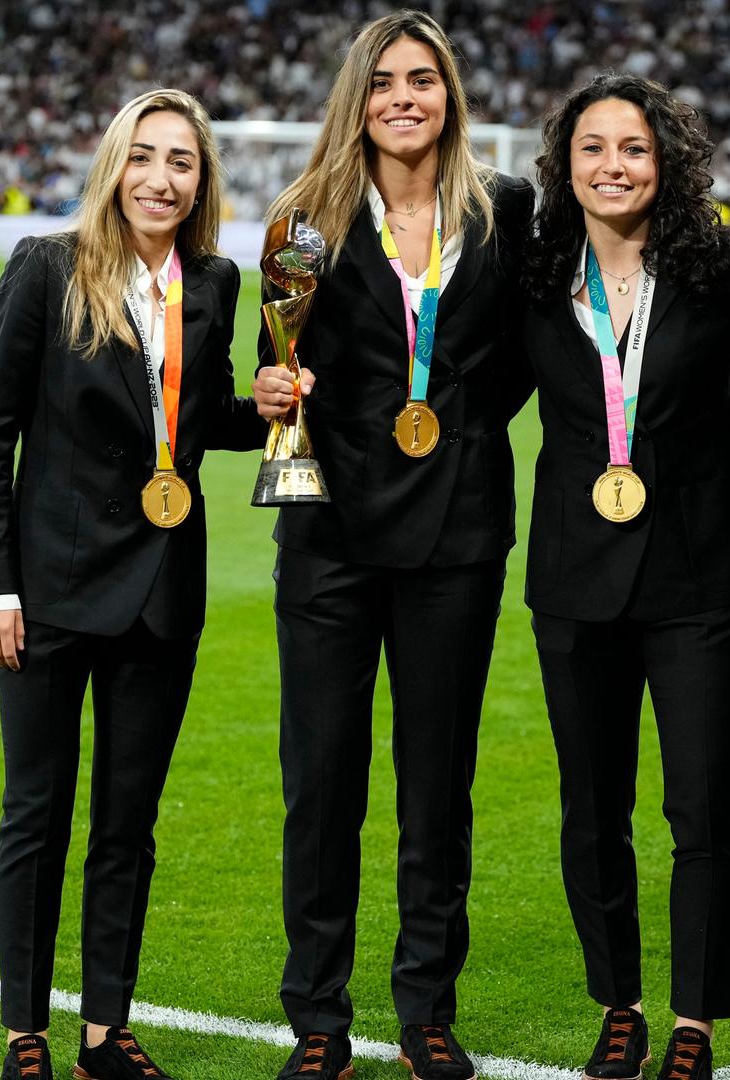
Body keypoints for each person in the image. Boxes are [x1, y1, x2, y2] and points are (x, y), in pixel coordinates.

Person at [246, 10, 534, 1080]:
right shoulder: (304, 220)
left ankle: (426, 1010)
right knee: (322, 782)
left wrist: (448, 426)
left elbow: (516, 363)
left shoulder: (503, 210)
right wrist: (276, 390)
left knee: (436, 782)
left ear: (449, 94)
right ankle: (318, 1018)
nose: (404, 98)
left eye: (423, 79)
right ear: (355, 99)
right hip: (330, 532)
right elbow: (278, 369)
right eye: (383, 82)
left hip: (457, 532)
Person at [0, 87, 267, 1080]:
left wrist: (261, 408)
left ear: (200, 181)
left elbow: (192, 417)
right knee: (35, 813)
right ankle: (25, 1033)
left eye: (181, 162)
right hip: (45, 591)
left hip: (162, 586)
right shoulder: (48, 267)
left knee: (129, 825)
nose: (161, 178)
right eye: (145, 157)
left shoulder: (215, 280)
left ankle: (104, 1029)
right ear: (114, 168)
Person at [516, 73, 730, 1080]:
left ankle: (696, 1022)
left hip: (700, 581)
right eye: (592, 148)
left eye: (632, 148)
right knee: (593, 808)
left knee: (705, 810)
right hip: (575, 584)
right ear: (565, 166)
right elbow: (469, 392)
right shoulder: (533, 272)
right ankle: (618, 1002)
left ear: (666, 163)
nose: (612, 166)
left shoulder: (723, 267)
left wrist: (726, 485)